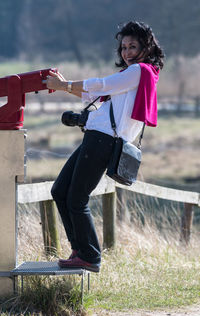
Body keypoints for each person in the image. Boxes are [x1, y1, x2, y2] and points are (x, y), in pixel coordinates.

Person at [45, 21, 164, 272]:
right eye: (123, 47)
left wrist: (63, 86)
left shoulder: (139, 72)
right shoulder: (130, 76)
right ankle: (79, 249)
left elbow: (100, 85)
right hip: (95, 138)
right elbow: (94, 95)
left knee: (77, 198)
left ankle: (90, 256)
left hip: (103, 140)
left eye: (133, 46)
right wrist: (65, 85)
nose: (127, 52)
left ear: (146, 47)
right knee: (60, 191)